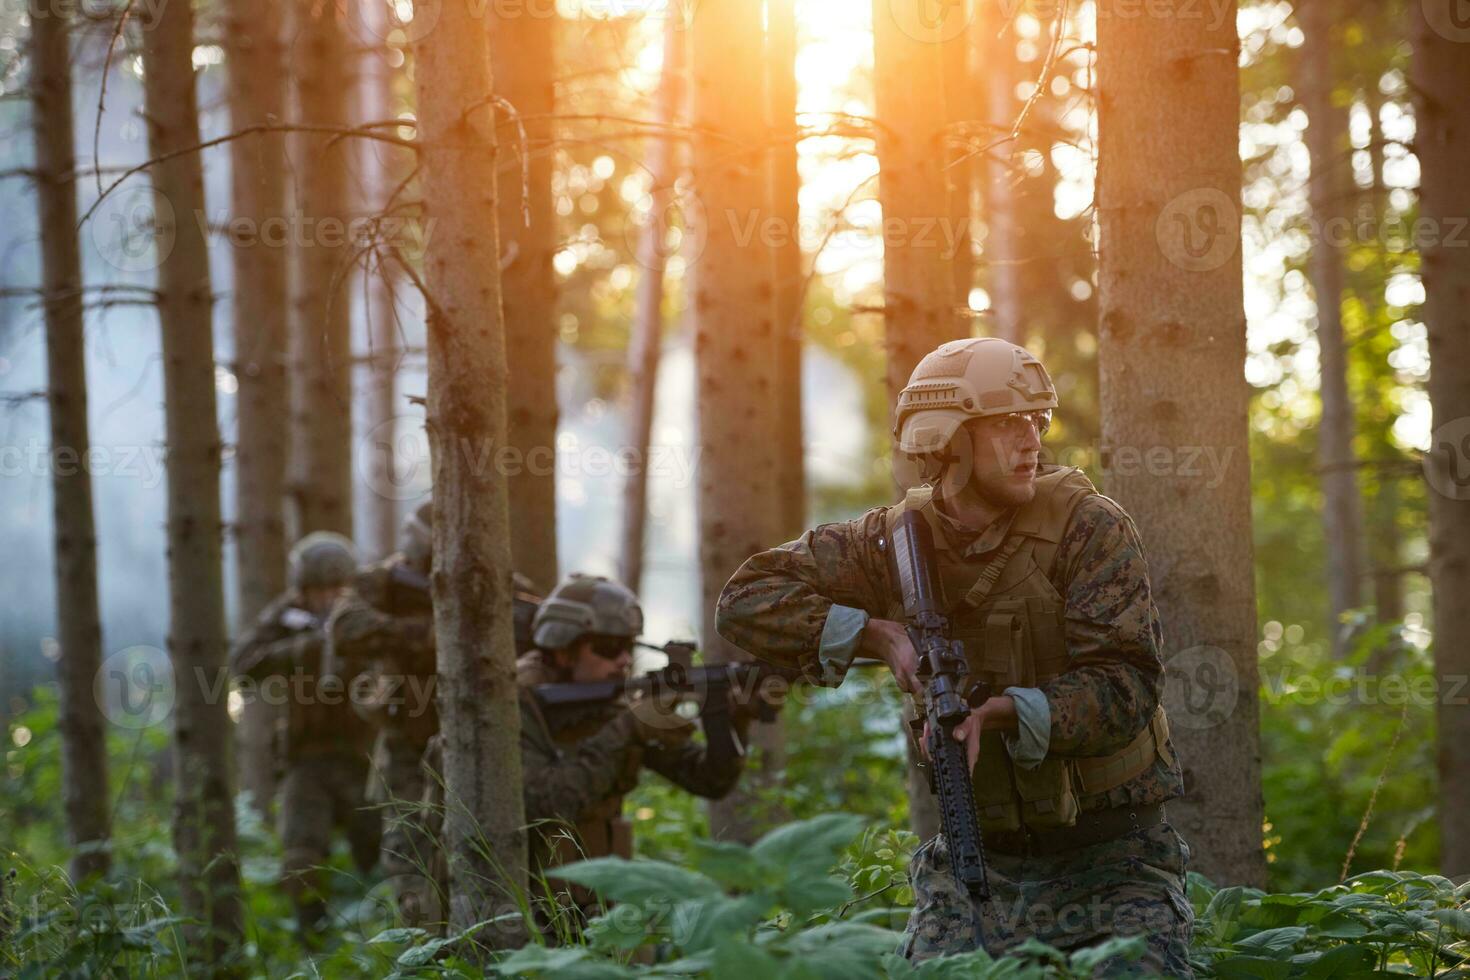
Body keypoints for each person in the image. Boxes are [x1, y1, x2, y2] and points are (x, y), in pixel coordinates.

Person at [715, 337, 1193, 976]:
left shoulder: (1088, 527)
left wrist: (993, 714)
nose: (1032, 440)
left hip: (1114, 860)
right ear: (949, 439)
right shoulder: (888, 541)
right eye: (1007, 422)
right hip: (976, 861)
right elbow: (745, 599)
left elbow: (1126, 689)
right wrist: (879, 636)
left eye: (1036, 419)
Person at [514, 574, 748, 924]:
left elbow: (709, 780)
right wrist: (628, 727)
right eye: (608, 647)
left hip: (600, 907)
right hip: (529, 912)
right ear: (563, 647)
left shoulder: (611, 700)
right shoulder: (517, 700)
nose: (624, 660)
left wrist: (730, 718)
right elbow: (548, 803)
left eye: (628, 646)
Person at [230, 531, 379, 937]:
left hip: (365, 756)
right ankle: (314, 947)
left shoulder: (368, 612)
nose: (329, 599)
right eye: (320, 590)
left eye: (338, 589)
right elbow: (243, 661)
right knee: (301, 859)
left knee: (386, 858)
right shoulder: (286, 617)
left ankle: (384, 945)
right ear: (303, 591)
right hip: (307, 758)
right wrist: (305, 648)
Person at [326, 501, 442, 923]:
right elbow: (345, 627)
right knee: (411, 863)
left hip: (473, 744)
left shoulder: (485, 577)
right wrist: (425, 633)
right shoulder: (383, 582)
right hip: (406, 746)